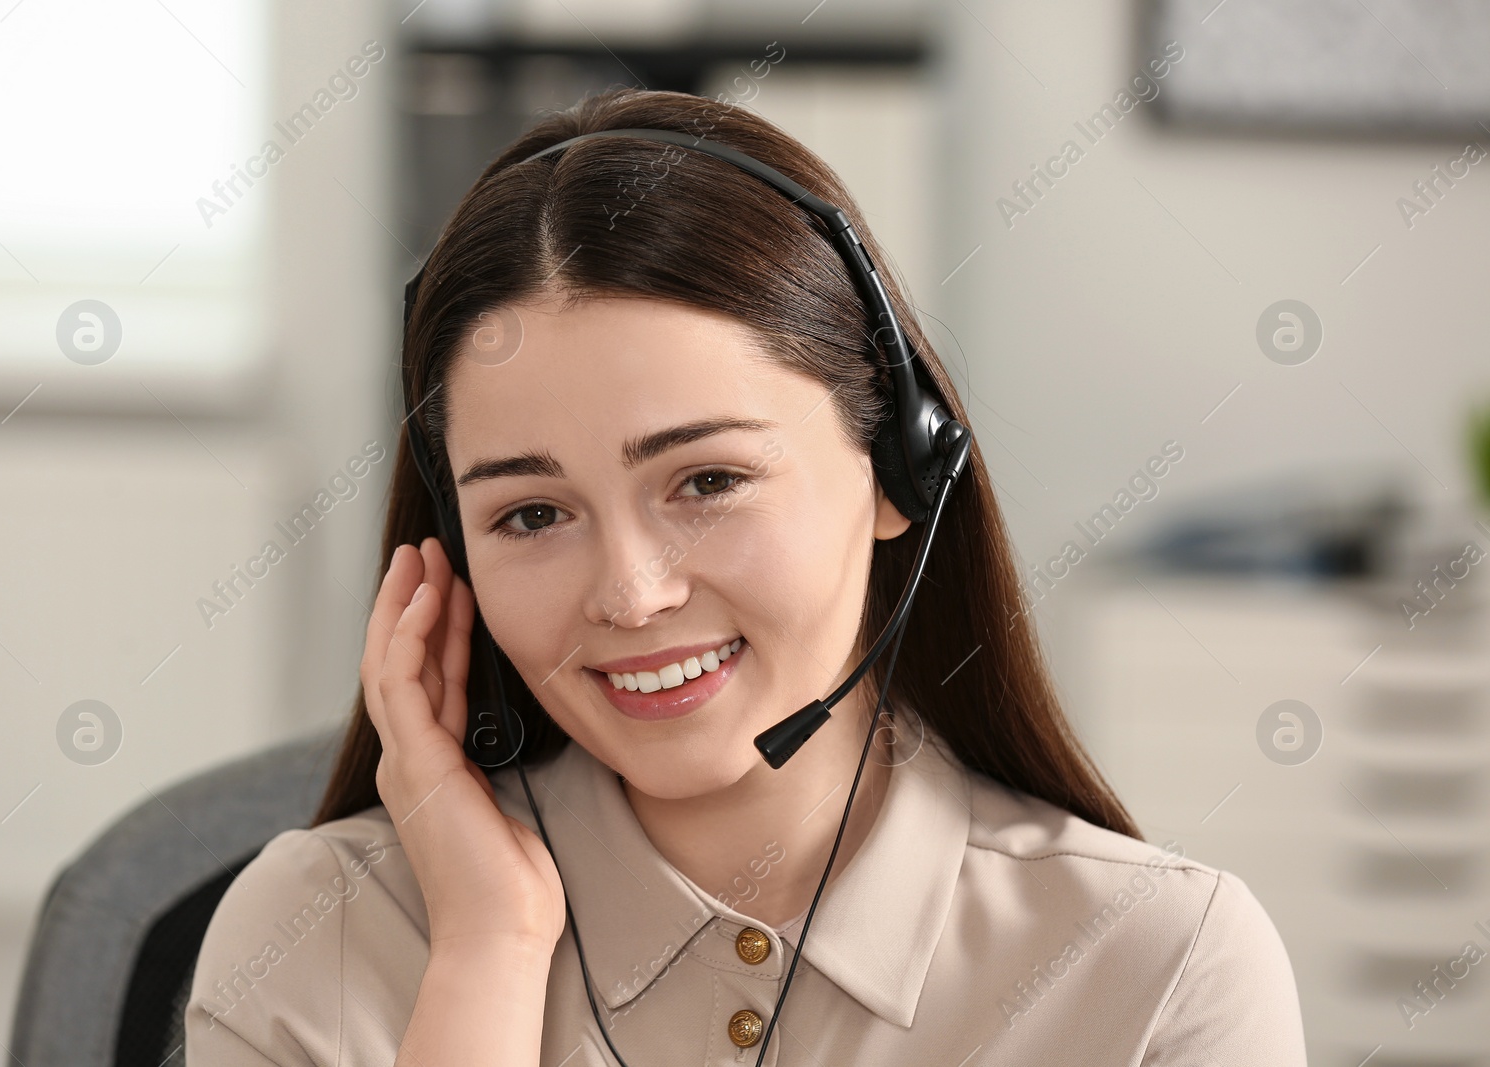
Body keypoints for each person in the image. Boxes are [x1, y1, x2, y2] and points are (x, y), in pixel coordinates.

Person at [184, 86, 1307, 1066]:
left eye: (707, 480)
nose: (629, 593)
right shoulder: (316, 930)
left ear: (897, 469)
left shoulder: (1156, 967)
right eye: (531, 512)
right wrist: (486, 951)